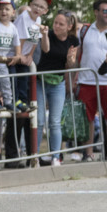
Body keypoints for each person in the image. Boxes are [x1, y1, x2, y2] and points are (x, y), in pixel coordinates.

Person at [76, 0, 107, 161]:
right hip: (86, 80)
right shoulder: (84, 31)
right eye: (105, 11)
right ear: (96, 12)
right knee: (87, 118)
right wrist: (73, 74)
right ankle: (88, 153)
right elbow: (77, 54)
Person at [35, 9, 79, 165]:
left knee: (54, 121)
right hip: (40, 80)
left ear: (69, 26)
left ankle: (55, 156)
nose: (57, 26)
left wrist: (70, 59)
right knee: (39, 120)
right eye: (55, 23)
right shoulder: (48, 35)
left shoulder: (73, 41)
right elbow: (45, 49)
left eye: (61, 24)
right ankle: (34, 157)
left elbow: (71, 65)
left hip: (58, 83)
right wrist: (45, 35)